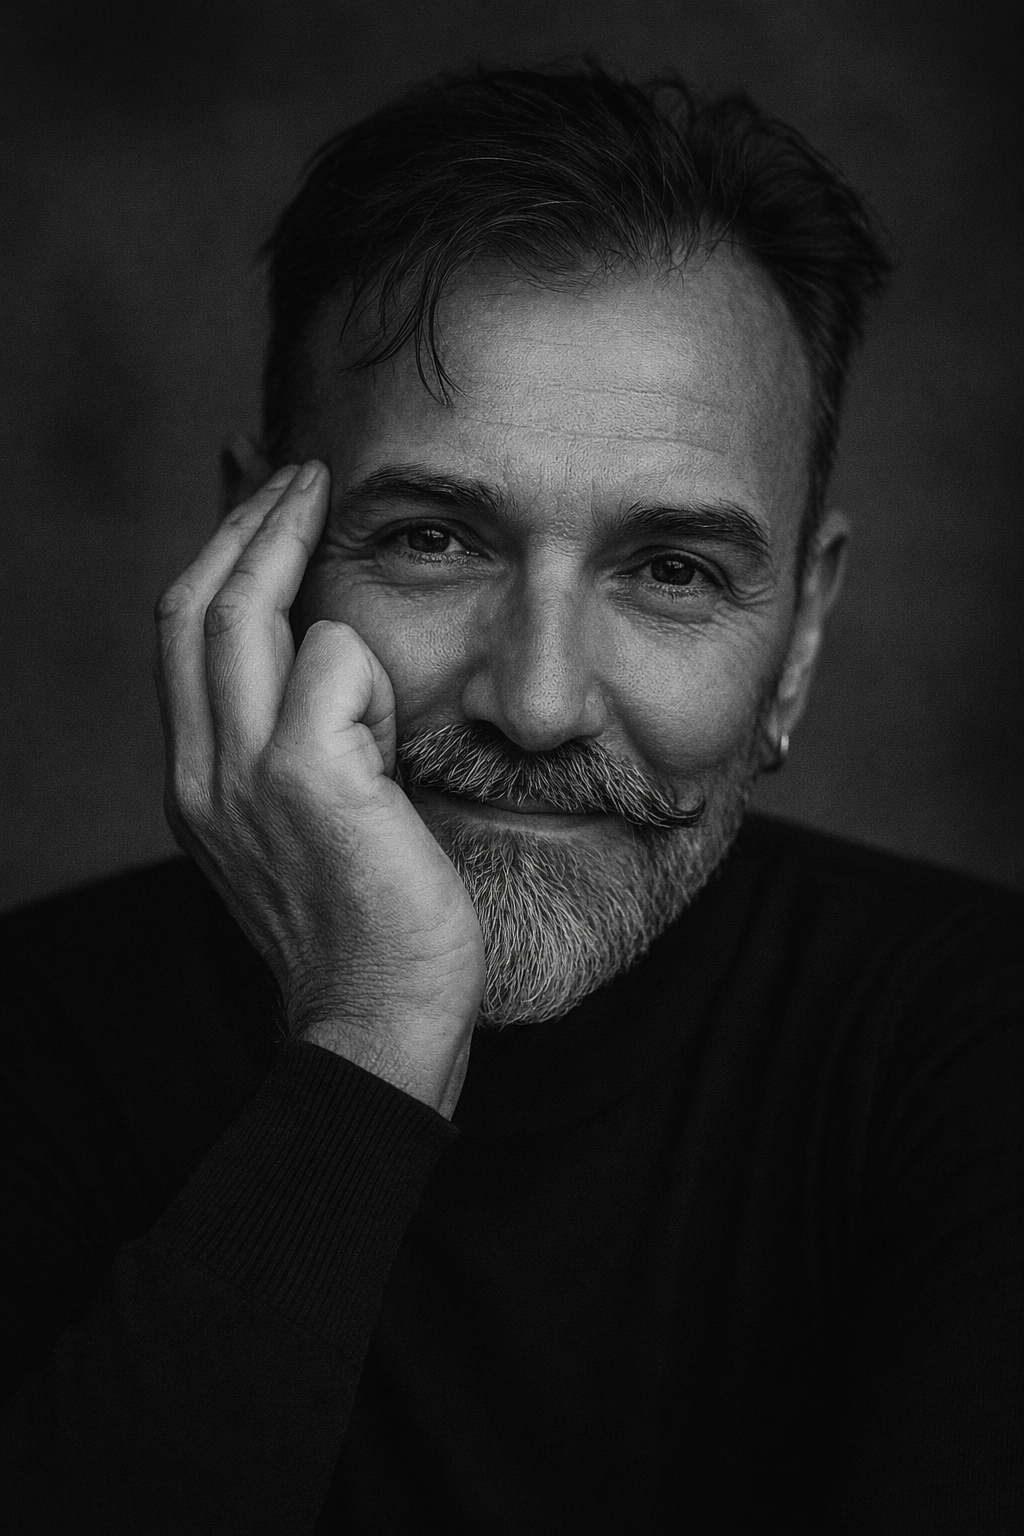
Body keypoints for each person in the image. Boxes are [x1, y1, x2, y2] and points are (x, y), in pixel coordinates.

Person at [0, 64, 1019, 1535]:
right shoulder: (32, 1044)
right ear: (253, 568)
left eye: (672, 571)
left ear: (798, 636)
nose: (537, 703)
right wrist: (372, 1038)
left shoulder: (980, 1048)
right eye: (431, 540)